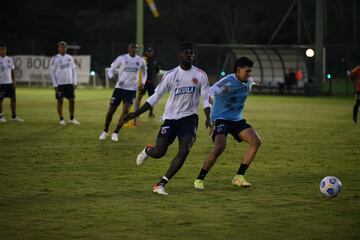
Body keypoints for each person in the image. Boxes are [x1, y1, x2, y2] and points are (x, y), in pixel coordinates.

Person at [124, 42, 211, 195]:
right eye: (186, 52)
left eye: (191, 53)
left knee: (184, 150)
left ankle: (161, 184)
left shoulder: (201, 75)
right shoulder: (171, 75)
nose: (189, 55)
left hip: (189, 119)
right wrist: (135, 113)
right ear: (180, 54)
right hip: (171, 119)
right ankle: (147, 150)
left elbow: (205, 99)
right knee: (159, 152)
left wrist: (208, 117)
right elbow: (156, 96)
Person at [194, 57, 262, 190]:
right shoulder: (228, 82)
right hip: (221, 119)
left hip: (237, 120)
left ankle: (239, 177)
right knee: (220, 147)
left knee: (256, 141)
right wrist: (210, 104)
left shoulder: (249, 81)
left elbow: (250, 83)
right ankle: (199, 179)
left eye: (250, 71)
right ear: (237, 70)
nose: (249, 74)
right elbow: (211, 92)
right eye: (247, 71)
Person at [99, 43, 147, 141]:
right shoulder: (121, 58)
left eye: (135, 48)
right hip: (119, 89)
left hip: (131, 90)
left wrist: (142, 83)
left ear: (136, 50)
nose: (134, 49)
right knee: (111, 111)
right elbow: (111, 70)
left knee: (125, 112)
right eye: (132, 48)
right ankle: (105, 130)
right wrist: (112, 78)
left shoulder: (140, 60)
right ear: (128, 49)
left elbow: (145, 73)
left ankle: (116, 132)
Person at [50, 41, 80, 126]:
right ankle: (61, 119)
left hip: (69, 84)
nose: (63, 48)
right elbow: (52, 73)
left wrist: (74, 82)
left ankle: (71, 118)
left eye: (64, 47)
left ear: (66, 48)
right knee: (60, 101)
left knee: (72, 100)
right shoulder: (54, 58)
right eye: (61, 47)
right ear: (58, 48)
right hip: (59, 84)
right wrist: (55, 85)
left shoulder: (70, 57)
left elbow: (74, 70)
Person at [0, 43, 24, 123]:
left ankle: (14, 117)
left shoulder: (9, 59)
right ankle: (1, 116)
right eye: (1, 49)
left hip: (9, 83)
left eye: (4, 49)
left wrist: (14, 81)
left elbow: (12, 70)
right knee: (0, 100)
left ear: (6, 50)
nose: (3, 51)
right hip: (1, 83)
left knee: (13, 99)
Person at [135, 46, 160, 118]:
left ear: (153, 52)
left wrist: (153, 78)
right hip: (144, 82)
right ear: (146, 52)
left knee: (152, 98)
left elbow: (157, 70)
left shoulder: (155, 60)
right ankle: (137, 113)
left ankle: (151, 113)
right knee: (139, 96)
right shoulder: (143, 60)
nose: (149, 53)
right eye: (148, 52)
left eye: (150, 51)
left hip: (151, 83)